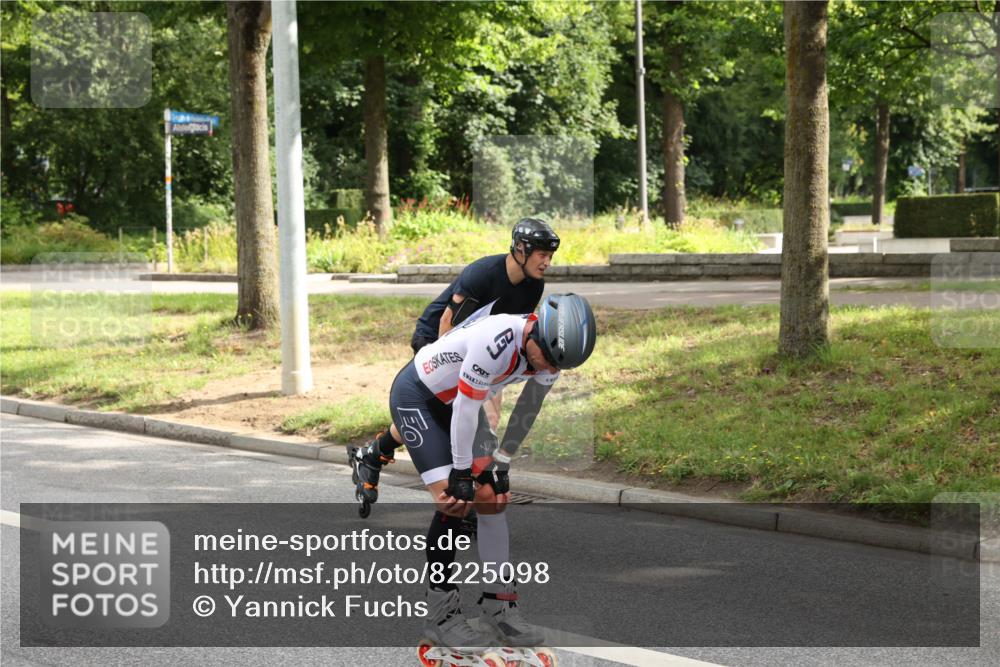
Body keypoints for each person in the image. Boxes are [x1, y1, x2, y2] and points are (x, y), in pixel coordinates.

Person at [365, 293, 596, 651]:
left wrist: (503, 459)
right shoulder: (497, 341)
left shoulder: (552, 355)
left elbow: (529, 406)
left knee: (493, 497)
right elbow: (464, 410)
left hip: (459, 404)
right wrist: (460, 472)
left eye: (558, 365)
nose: (550, 369)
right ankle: (440, 615)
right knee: (453, 499)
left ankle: (498, 605)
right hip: (419, 398)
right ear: (535, 332)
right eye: (547, 360)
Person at [353, 218, 561, 498]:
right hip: (438, 338)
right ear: (521, 250)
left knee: (462, 414)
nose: (547, 262)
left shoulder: (533, 285)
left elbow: (515, 338)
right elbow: (448, 326)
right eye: (542, 255)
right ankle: (450, 488)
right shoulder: (483, 273)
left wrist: (490, 390)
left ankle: (374, 452)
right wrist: (483, 394)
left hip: (481, 348)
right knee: (447, 410)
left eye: (550, 256)